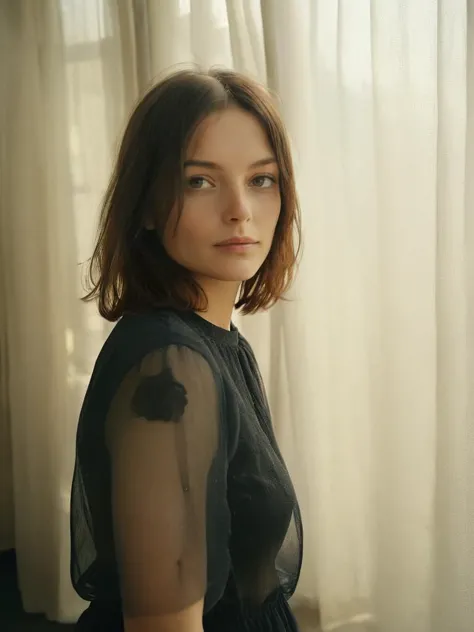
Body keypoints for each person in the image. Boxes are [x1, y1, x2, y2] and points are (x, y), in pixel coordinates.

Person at [70, 67, 303, 632]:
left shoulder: (219, 344)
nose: (240, 209)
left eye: (261, 179)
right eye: (200, 180)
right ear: (146, 205)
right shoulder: (170, 368)